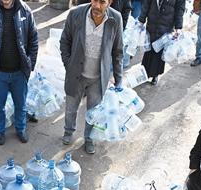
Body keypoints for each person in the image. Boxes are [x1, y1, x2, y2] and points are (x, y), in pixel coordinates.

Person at [60, 0, 124, 155]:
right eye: (95, 0)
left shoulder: (116, 19)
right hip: (76, 75)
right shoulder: (76, 14)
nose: (97, 5)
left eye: (102, 2)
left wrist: (118, 78)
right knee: (70, 109)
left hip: (98, 78)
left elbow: (118, 51)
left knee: (93, 112)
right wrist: (69, 65)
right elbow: (64, 41)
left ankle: (88, 138)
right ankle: (68, 131)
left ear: (110, 2)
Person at [0, 0, 40, 145]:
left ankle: (21, 129)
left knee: (21, 105)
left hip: (19, 73)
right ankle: (0, 132)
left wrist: (29, 64)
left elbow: (33, 38)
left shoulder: (25, 10)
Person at [139, 0, 185, 84]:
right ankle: (144, 73)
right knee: (149, 50)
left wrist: (178, 27)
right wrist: (141, 20)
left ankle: (155, 75)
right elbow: (146, 4)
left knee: (159, 51)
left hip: (166, 25)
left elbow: (179, 10)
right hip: (152, 23)